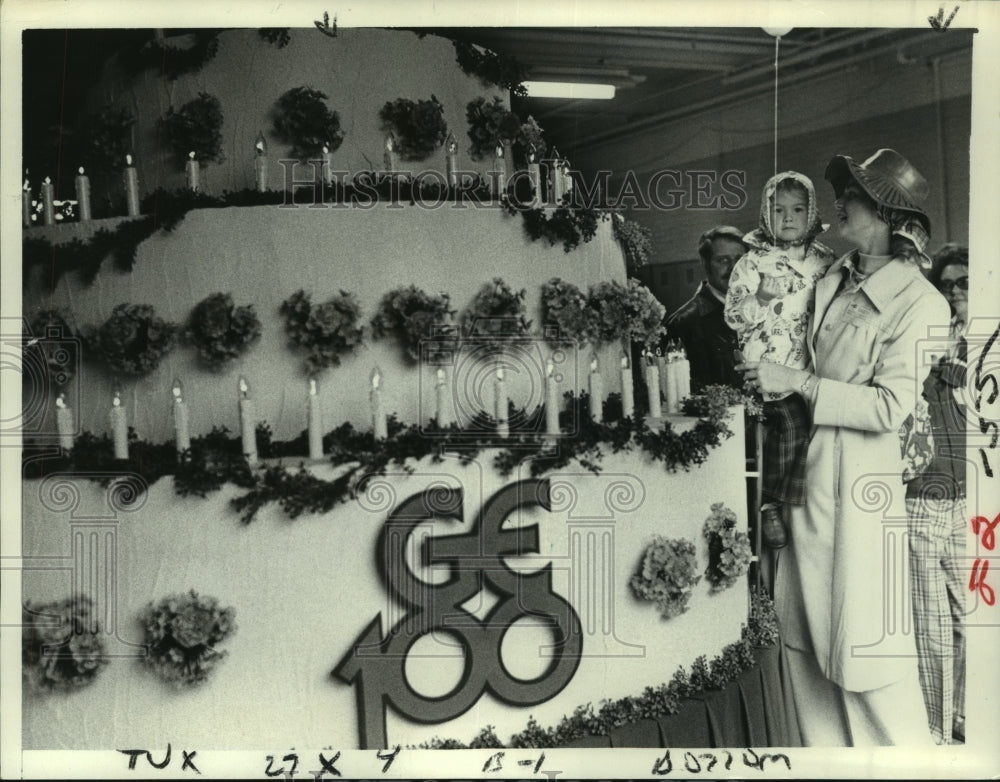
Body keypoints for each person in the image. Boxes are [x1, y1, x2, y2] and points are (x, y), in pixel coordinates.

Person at [738, 148, 950, 745]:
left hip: (860, 493)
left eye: (852, 195)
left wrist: (798, 383)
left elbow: (889, 406)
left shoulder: (922, 303)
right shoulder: (833, 276)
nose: (839, 204)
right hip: (805, 477)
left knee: (868, 654)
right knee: (802, 643)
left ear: (886, 213)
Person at [724, 172, 837, 549]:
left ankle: (811, 513)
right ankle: (770, 503)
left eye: (798, 209)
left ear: (812, 212)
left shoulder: (825, 260)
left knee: (823, 433)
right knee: (791, 425)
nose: (788, 217)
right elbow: (733, 317)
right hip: (766, 369)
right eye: (778, 210)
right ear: (764, 213)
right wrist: (760, 296)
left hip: (811, 368)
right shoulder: (752, 262)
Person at [905, 243, 968, 744]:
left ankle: (963, 713)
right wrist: (937, 366)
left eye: (963, 283)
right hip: (924, 494)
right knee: (932, 628)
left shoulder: (987, 342)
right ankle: (937, 733)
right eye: (945, 285)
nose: (954, 293)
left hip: (972, 499)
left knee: (973, 618)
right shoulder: (923, 334)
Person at [664, 226, 747, 392]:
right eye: (723, 260)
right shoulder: (682, 324)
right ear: (705, 264)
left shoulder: (761, 309)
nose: (734, 268)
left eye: (740, 259)